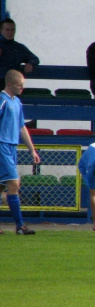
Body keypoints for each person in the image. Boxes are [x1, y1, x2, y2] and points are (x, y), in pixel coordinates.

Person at [0, 70, 39, 235]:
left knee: (2, 186)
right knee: (14, 184)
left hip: (12, 146)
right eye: (19, 85)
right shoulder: (2, 100)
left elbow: (22, 127)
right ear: (9, 84)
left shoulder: (17, 102)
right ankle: (20, 226)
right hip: (2, 144)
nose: (22, 88)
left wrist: (32, 150)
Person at [0, 19, 39, 90]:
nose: (10, 32)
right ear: (1, 31)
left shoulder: (19, 48)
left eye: (12, 30)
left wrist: (30, 63)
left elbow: (34, 58)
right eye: (7, 30)